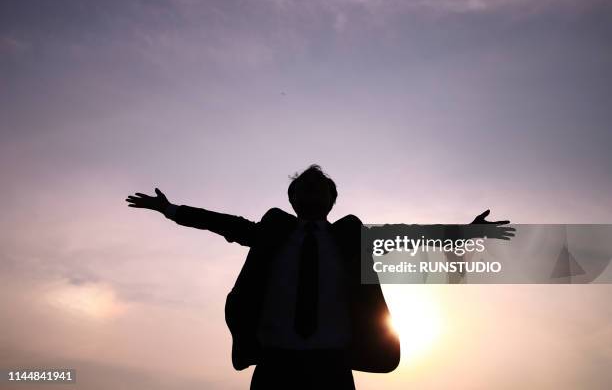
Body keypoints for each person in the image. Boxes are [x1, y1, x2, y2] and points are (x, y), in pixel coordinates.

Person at [126, 164, 512, 389]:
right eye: (303, 188)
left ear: (331, 199)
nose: (310, 192)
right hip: (275, 363)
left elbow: (410, 235)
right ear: (292, 199)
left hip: (332, 366)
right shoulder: (271, 230)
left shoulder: (351, 237)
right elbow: (221, 223)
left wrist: (467, 232)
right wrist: (172, 210)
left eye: (318, 187)